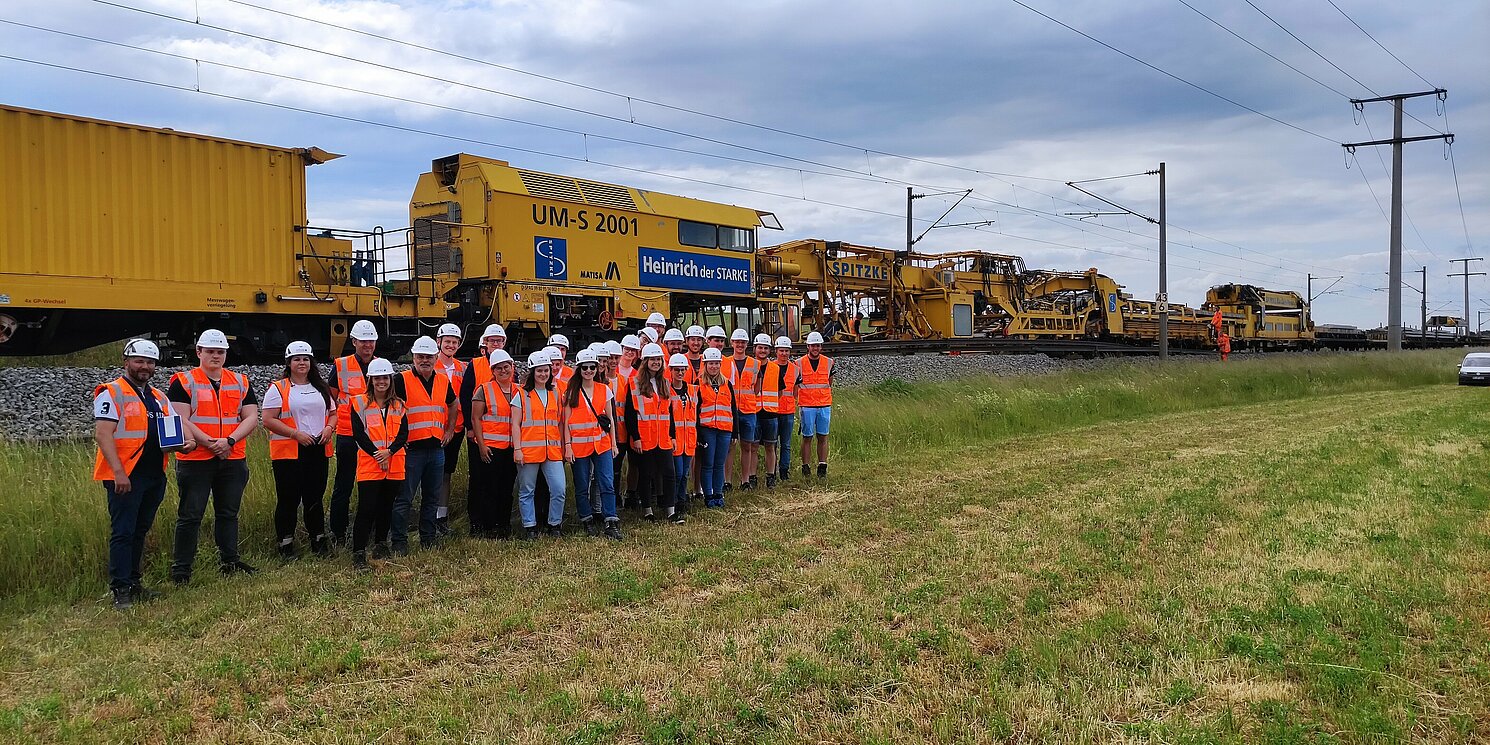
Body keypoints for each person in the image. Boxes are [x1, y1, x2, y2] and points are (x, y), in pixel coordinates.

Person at [169, 328, 259, 583]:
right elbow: (180, 418)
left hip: (232, 457)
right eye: (210, 351)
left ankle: (229, 561)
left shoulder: (240, 381)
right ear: (199, 352)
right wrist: (210, 443)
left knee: (228, 513)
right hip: (196, 459)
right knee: (190, 515)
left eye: (220, 352)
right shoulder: (183, 381)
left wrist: (229, 441)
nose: (215, 356)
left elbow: (251, 416)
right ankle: (182, 570)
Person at [93, 339, 174, 609]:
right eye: (139, 361)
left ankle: (134, 583)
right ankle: (120, 589)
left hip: (153, 475)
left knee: (140, 531)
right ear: (126, 361)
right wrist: (119, 473)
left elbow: (169, 431)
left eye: (150, 362)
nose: (145, 367)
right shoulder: (111, 392)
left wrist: (183, 443)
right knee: (123, 533)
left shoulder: (159, 397)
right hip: (125, 476)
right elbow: (103, 434)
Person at [261, 340, 336, 560]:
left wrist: (330, 428)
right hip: (289, 453)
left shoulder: (321, 387)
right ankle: (286, 544)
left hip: (317, 449)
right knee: (288, 499)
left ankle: (318, 541)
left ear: (311, 361)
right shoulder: (278, 388)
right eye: (297, 359)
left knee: (315, 497)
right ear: (289, 362)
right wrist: (295, 434)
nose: (302, 363)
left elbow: (333, 412)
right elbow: (267, 419)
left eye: (305, 359)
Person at [391, 336, 458, 553]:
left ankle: (428, 538)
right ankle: (399, 541)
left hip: (436, 449)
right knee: (404, 498)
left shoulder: (442, 380)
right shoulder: (401, 380)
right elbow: (391, 412)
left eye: (429, 357)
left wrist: (449, 430)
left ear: (436, 357)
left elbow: (453, 404)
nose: (425, 361)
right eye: (420, 357)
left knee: (431, 497)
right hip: (411, 450)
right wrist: (397, 441)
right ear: (413, 358)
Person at [349, 358, 407, 569]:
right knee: (367, 508)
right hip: (370, 464)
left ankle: (381, 543)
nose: (381, 381)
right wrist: (378, 455)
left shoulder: (399, 405)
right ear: (370, 380)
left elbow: (403, 434)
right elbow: (358, 434)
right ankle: (358, 551)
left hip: (394, 463)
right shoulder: (358, 403)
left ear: (390, 379)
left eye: (385, 377)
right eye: (377, 378)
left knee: (386, 506)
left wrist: (389, 452)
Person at [328, 319, 381, 546]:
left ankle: (369, 530)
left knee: (371, 485)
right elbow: (332, 394)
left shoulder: (382, 365)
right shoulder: (341, 365)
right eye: (363, 341)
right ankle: (338, 532)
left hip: (375, 436)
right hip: (348, 435)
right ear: (354, 342)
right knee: (344, 483)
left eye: (371, 341)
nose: (368, 345)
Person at [563, 349, 623, 539]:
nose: (588, 370)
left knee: (607, 483)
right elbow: (565, 422)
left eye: (592, 367)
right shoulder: (570, 391)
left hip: (601, 444)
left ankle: (610, 520)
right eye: (585, 367)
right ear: (579, 369)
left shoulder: (604, 389)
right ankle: (586, 519)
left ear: (597, 369)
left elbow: (610, 419)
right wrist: (568, 445)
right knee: (582, 485)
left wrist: (613, 443)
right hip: (579, 446)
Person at [458, 323, 506, 537]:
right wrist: (469, 428)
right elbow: (466, 397)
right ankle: (476, 523)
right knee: (478, 480)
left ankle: (496, 521)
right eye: (492, 341)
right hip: (479, 435)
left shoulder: (507, 366)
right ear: (484, 344)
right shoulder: (475, 365)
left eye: (499, 340)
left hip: (502, 437)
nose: (496, 344)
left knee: (499, 480)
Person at [514, 349, 566, 539]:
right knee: (527, 490)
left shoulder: (555, 393)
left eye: (546, 370)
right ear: (532, 372)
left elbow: (560, 422)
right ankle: (530, 527)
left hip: (552, 451)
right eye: (539, 371)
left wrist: (563, 446)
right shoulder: (521, 394)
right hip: (528, 451)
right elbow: (515, 424)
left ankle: (554, 524)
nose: (543, 374)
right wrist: (517, 449)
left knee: (559, 489)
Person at [625, 343, 678, 523]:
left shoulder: (665, 383)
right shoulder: (634, 383)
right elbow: (630, 413)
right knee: (646, 474)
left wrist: (673, 436)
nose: (656, 363)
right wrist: (636, 438)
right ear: (645, 361)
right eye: (653, 359)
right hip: (645, 438)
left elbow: (669, 413)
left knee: (669, 472)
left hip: (663, 438)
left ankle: (671, 511)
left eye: (659, 360)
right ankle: (648, 510)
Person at [470, 350, 518, 539]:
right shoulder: (484, 389)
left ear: (512, 367)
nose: (503, 371)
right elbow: (476, 418)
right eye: (499, 368)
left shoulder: (519, 390)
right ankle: (490, 526)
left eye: (506, 367)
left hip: (511, 448)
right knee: (490, 488)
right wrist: (481, 446)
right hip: (491, 448)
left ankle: (504, 524)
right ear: (493, 370)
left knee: (507, 489)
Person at [434, 322, 467, 536]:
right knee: (430, 475)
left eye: (454, 342)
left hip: (455, 429)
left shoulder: (462, 368)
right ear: (439, 342)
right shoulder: (429, 364)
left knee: (446, 474)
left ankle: (441, 517)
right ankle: (428, 516)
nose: (451, 345)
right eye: (447, 341)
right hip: (433, 429)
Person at [696, 348, 735, 508]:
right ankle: (708, 495)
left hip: (725, 430)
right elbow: (695, 409)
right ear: (705, 364)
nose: (713, 366)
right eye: (710, 363)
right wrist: (698, 433)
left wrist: (735, 432)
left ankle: (718, 494)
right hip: (707, 430)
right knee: (708, 464)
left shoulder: (727, 384)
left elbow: (733, 408)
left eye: (716, 363)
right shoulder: (698, 384)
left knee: (720, 464)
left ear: (720, 364)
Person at [723, 329, 761, 494]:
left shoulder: (755, 364)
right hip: (730, 410)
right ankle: (727, 481)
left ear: (747, 344)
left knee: (747, 446)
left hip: (748, 410)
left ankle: (745, 480)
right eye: (737, 342)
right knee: (730, 446)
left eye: (742, 342)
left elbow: (757, 389)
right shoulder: (725, 362)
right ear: (732, 343)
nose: (739, 345)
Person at [797, 331, 835, 479]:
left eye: (818, 345)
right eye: (813, 345)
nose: (815, 348)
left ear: (821, 347)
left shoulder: (829, 362)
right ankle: (805, 467)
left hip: (824, 404)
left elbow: (829, 382)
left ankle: (822, 466)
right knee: (807, 437)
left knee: (823, 436)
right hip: (806, 406)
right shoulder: (799, 363)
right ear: (808, 346)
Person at [767, 336, 801, 482]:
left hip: (788, 412)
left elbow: (795, 391)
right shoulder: (770, 367)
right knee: (772, 443)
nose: (784, 353)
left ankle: (784, 471)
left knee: (786, 444)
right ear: (776, 351)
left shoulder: (795, 369)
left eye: (786, 351)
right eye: (781, 350)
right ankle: (772, 471)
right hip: (773, 411)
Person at [668, 354, 698, 521]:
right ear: (670, 371)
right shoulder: (667, 390)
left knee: (684, 473)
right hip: (674, 440)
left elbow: (696, 416)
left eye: (682, 369)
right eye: (676, 370)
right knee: (677, 473)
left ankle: (681, 501)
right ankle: (673, 502)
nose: (680, 372)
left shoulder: (692, 390)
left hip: (689, 439)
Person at [615, 335, 642, 509]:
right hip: (616, 429)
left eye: (633, 350)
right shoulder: (612, 371)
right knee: (615, 465)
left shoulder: (637, 375)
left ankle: (631, 494)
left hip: (631, 427)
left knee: (634, 463)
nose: (629, 353)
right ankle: (615, 494)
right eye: (627, 349)